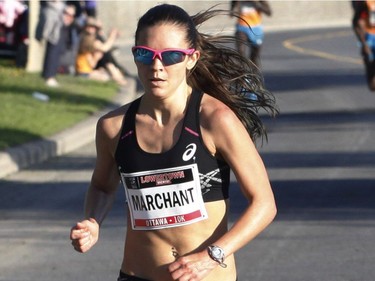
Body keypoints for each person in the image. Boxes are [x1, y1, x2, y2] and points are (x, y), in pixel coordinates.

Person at [70, 4, 278, 281]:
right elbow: (102, 186)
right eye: (146, 54)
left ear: (191, 59)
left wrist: (213, 255)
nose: (157, 67)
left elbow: (264, 204)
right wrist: (94, 221)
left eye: (171, 56)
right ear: (135, 56)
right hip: (137, 274)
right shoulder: (113, 127)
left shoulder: (215, 120)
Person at [75, 16, 127, 85]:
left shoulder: (88, 38)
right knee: (106, 75)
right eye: (90, 26)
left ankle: (117, 75)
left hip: (86, 70)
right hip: (83, 72)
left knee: (108, 67)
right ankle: (118, 77)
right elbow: (104, 48)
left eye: (94, 27)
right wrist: (112, 36)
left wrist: (112, 37)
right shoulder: (87, 40)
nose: (92, 29)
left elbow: (105, 48)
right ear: (85, 27)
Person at [35, 1, 76, 87]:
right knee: (52, 51)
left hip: (59, 19)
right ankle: (49, 76)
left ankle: (50, 75)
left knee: (56, 51)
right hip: (53, 19)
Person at [231, 1, 271, 68]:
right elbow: (232, 8)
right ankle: (242, 70)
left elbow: (269, 13)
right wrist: (233, 10)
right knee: (241, 52)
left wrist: (258, 5)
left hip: (255, 28)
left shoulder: (260, 1)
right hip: (242, 27)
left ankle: (253, 68)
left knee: (255, 54)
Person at [352, 0, 375, 91]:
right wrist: (364, 43)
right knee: (372, 85)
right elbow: (356, 23)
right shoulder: (365, 4)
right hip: (370, 40)